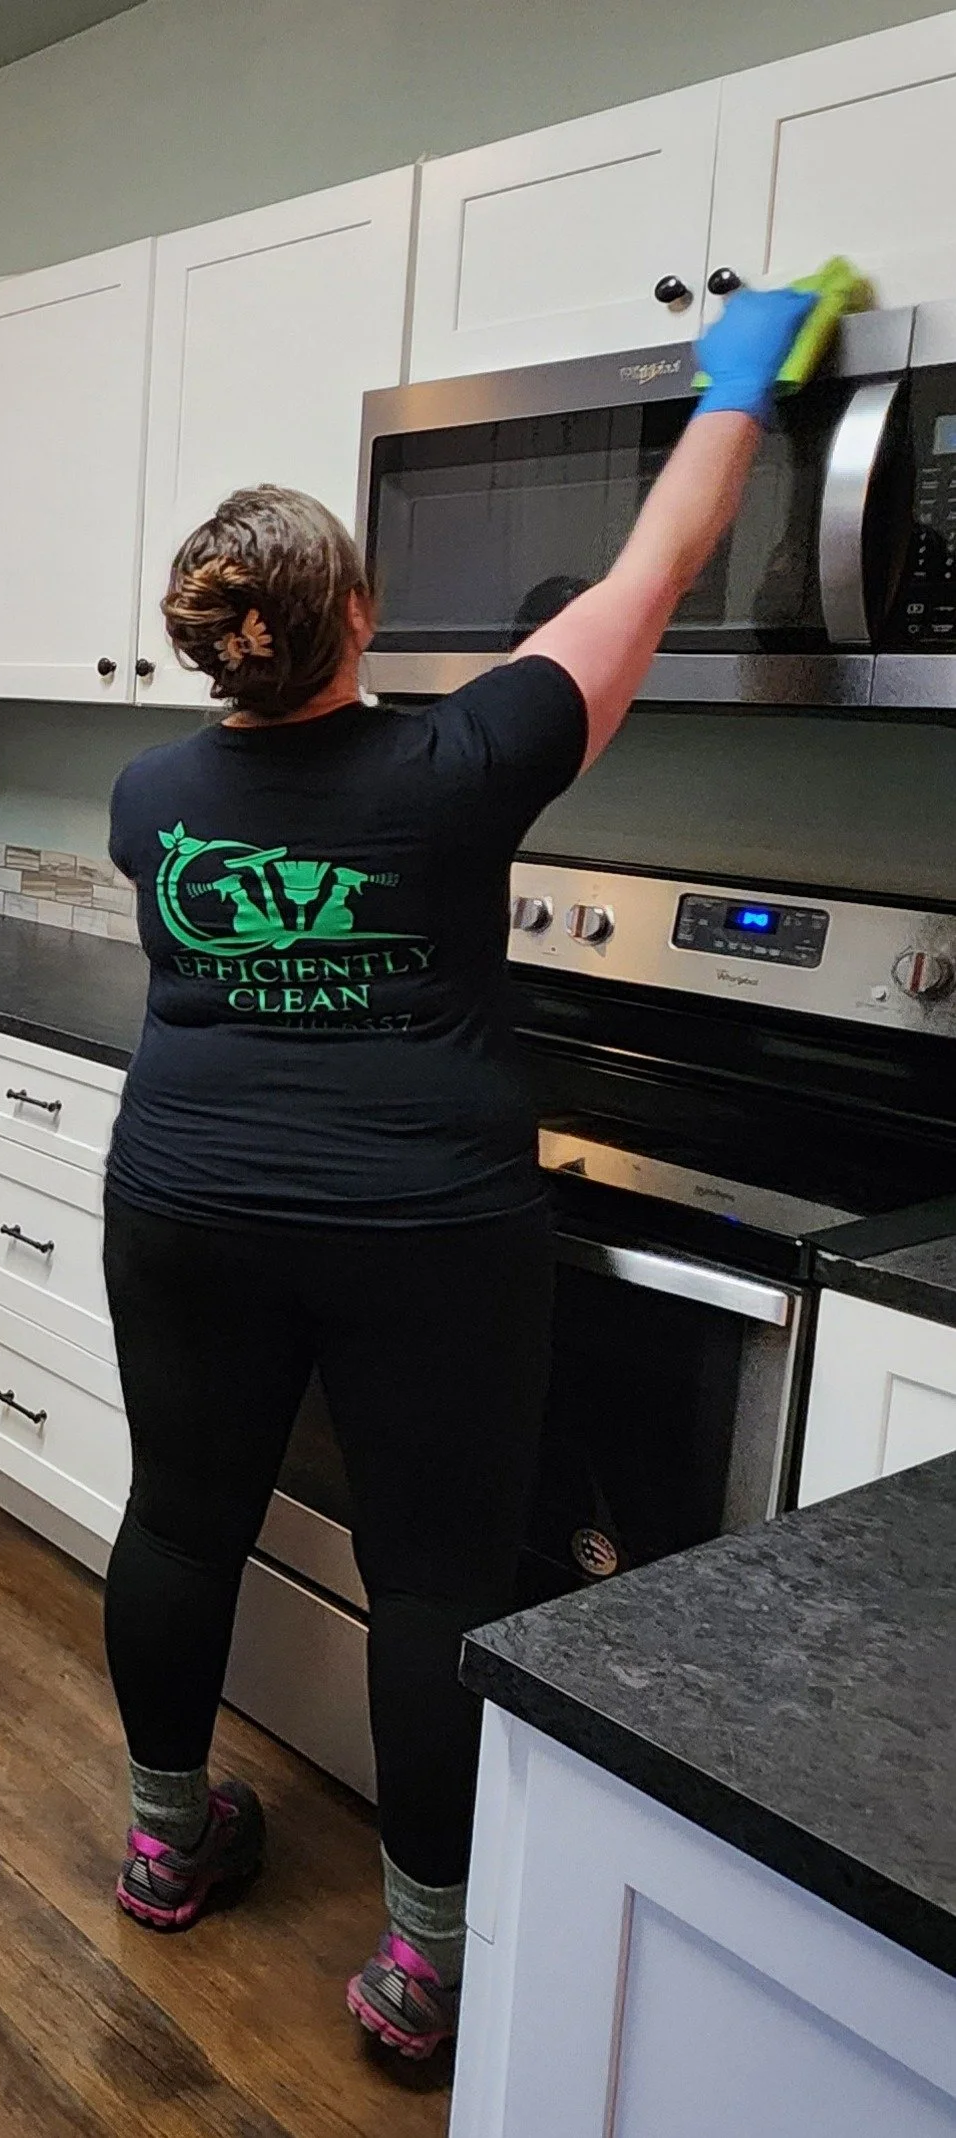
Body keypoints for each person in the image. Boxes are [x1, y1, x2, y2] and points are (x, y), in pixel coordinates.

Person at [97, 282, 824, 2060]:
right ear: (357, 615)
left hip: (186, 1194)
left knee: (182, 1516)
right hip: (425, 1226)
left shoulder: (145, 794)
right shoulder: (462, 760)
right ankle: (426, 1964)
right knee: (438, 1575)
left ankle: (166, 1845)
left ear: (214, 643)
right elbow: (644, 576)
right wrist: (739, 378)